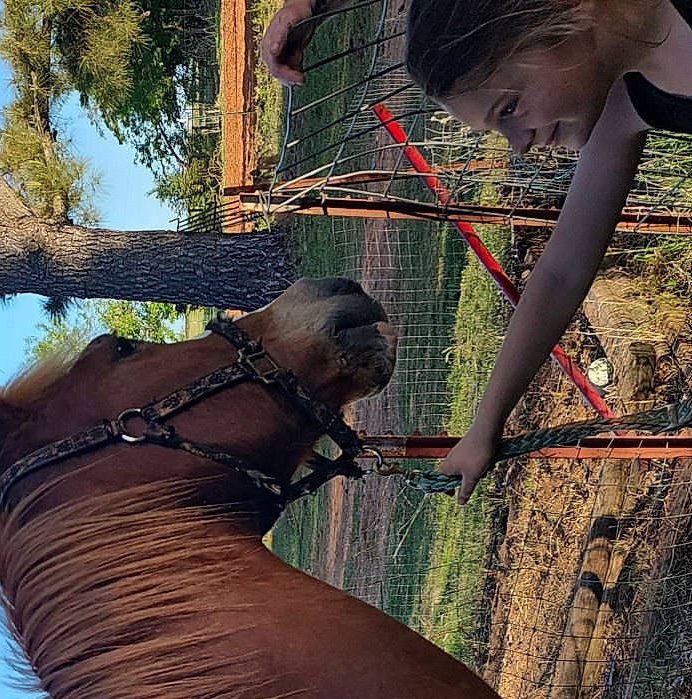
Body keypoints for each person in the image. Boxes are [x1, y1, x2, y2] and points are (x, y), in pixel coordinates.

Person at [259, 0, 692, 500]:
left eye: (508, 108)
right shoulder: (625, 104)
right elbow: (560, 273)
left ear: (552, 15)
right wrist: (484, 427)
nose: (518, 145)